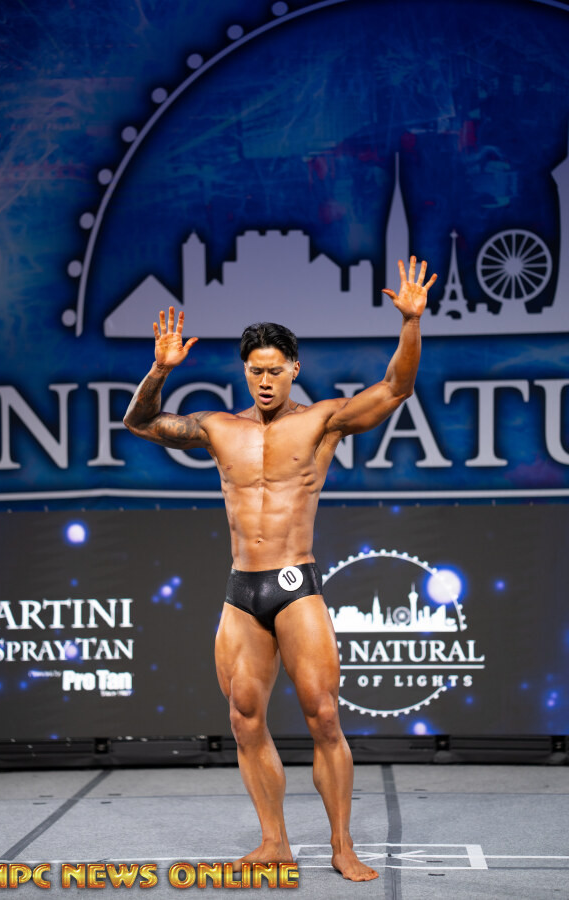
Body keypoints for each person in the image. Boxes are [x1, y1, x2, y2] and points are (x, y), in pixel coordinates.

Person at [123, 256, 437, 883]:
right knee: (244, 719)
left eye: (274, 370)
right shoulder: (218, 427)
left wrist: (410, 324)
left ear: (294, 368)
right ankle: (274, 844)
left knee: (324, 715)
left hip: (296, 586)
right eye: (255, 371)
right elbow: (139, 421)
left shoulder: (321, 421)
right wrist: (159, 371)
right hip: (241, 591)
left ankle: (342, 844)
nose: (264, 381)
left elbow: (394, 389)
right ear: (244, 371)